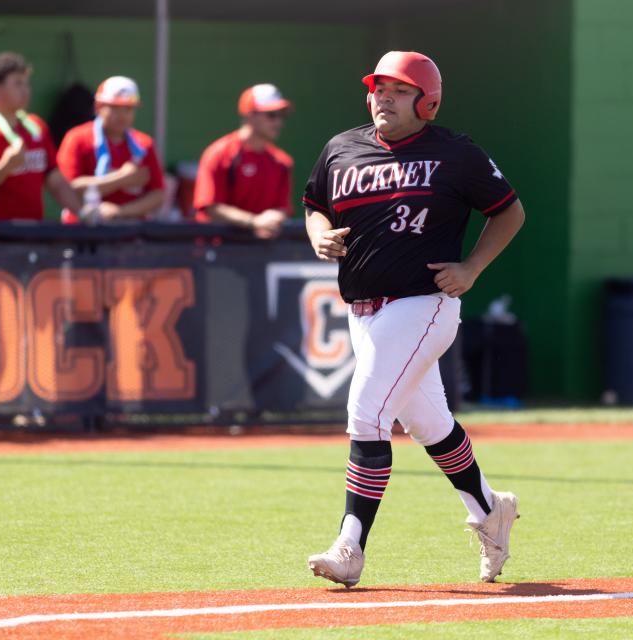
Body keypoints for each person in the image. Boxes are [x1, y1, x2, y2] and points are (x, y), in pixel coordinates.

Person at [303, 51, 526, 587]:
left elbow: (509, 210)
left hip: (424, 305)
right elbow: (315, 203)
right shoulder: (342, 148)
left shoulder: (454, 153)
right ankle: (489, 507)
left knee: (367, 411)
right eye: (379, 87)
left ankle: (350, 545)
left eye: (399, 90)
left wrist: (473, 267)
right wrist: (316, 233)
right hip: (363, 312)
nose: (383, 96)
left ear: (427, 101)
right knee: (430, 425)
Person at [0, 52, 81, 221]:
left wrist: (83, 213)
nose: (25, 90)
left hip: (34, 231)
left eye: (27, 84)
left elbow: (55, 180)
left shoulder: (36, 126)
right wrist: (6, 166)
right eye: (18, 84)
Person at [57, 76, 165, 224]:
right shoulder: (77, 138)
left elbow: (158, 194)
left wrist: (120, 212)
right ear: (98, 107)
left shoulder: (144, 143)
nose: (122, 115)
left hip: (130, 232)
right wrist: (121, 178)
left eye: (128, 109)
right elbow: (68, 189)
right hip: (82, 229)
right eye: (114, 108)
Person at [193, 84, 293, 238]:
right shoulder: (219, 153)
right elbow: (210, 207)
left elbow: (282, 208)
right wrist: (255, 221)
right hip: (217, 251)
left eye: (281, 115)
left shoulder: (282, 162)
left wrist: (275, 218)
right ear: (249, 115)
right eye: (271, 115)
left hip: (261, 250)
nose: (278, 122)